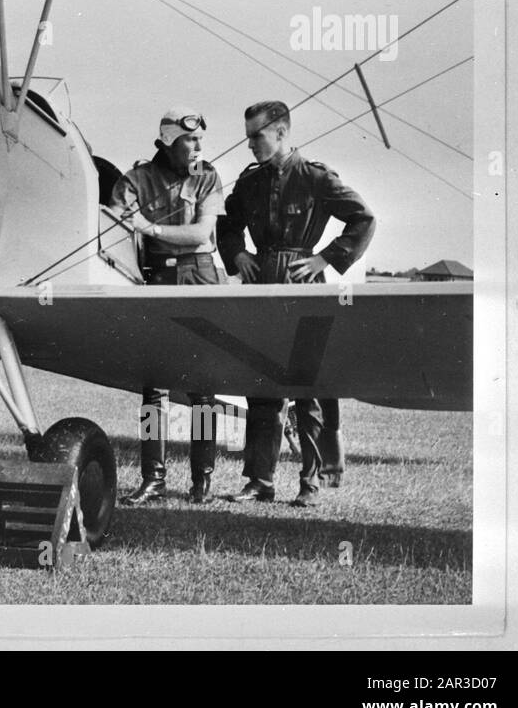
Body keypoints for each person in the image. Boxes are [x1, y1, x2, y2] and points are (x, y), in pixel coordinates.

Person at [217, 100, 376, 507]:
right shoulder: (249, 182)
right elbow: (227, 225)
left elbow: (363, 218)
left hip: (304, 284)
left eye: (257, 136)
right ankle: (259, 481)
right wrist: (238, 254)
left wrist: (325, 258)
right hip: (261, 286)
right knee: (261, 385)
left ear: (281, 132)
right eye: (249, 136)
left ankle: (311, 484)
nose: (250, 144)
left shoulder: (315, 177)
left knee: (309, 389)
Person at [110, 108, 226, 505]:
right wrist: (141, 229)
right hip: (157, 277)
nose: (197, 146)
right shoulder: (136, 179)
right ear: (168, 141)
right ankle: (153, 479)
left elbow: (201, 233)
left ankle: (202, 480)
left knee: (203, 388)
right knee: (153, 387)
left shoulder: (207, 176)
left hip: (200, 276)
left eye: (200, 140)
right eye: (190, 139)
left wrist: (151, 228)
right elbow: (117, 224)